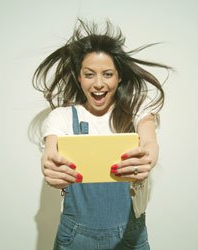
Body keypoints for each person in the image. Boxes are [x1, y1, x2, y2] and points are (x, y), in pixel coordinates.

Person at [32, 19, 171, 250]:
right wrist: (50, 168)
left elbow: (149, 142)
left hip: (129, 235)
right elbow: (49, 153)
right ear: (79, 77)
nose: (98, 84)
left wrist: (146, 160)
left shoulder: (138, 110)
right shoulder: (62, 117)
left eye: (107, 74)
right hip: (75, 235)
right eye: (89, 74)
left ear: (119, 77)